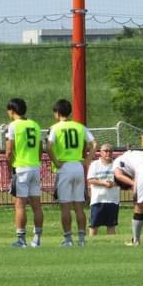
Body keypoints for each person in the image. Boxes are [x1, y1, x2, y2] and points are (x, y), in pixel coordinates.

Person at [47, 99, 96, 246]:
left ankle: (68, 239)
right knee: (79, 206)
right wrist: (87, 161)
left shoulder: (55, 128)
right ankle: (81, 239)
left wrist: (56, 162)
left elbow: (48, 147)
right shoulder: (80, 127)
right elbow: (94, 144)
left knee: (65, 206)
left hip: (64, 166)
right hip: (78, 166)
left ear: (57, 113)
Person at [5, 98, 44, 247]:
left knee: (20, 205)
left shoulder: (13, 126)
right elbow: (40, 149)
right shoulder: (35, 124)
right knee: (36, 205)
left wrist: (10, 168)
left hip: (21, 168)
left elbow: (9, 151)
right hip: (35, 167)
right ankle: (37, 238)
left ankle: (21, 239)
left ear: (12, 111)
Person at [86, 143, 120, 236]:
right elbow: (90, 179)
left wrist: (113, 183)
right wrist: (104, 183)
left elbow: (122, 180)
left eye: (110, 151)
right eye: (106, 151)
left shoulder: (116, 165)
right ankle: (92, 242)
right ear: (101, 152)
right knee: (93, 225)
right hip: (98, 200)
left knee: (111, 225)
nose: (108, 153)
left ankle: (112, 243)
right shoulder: (95, 164)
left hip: (112, 200)